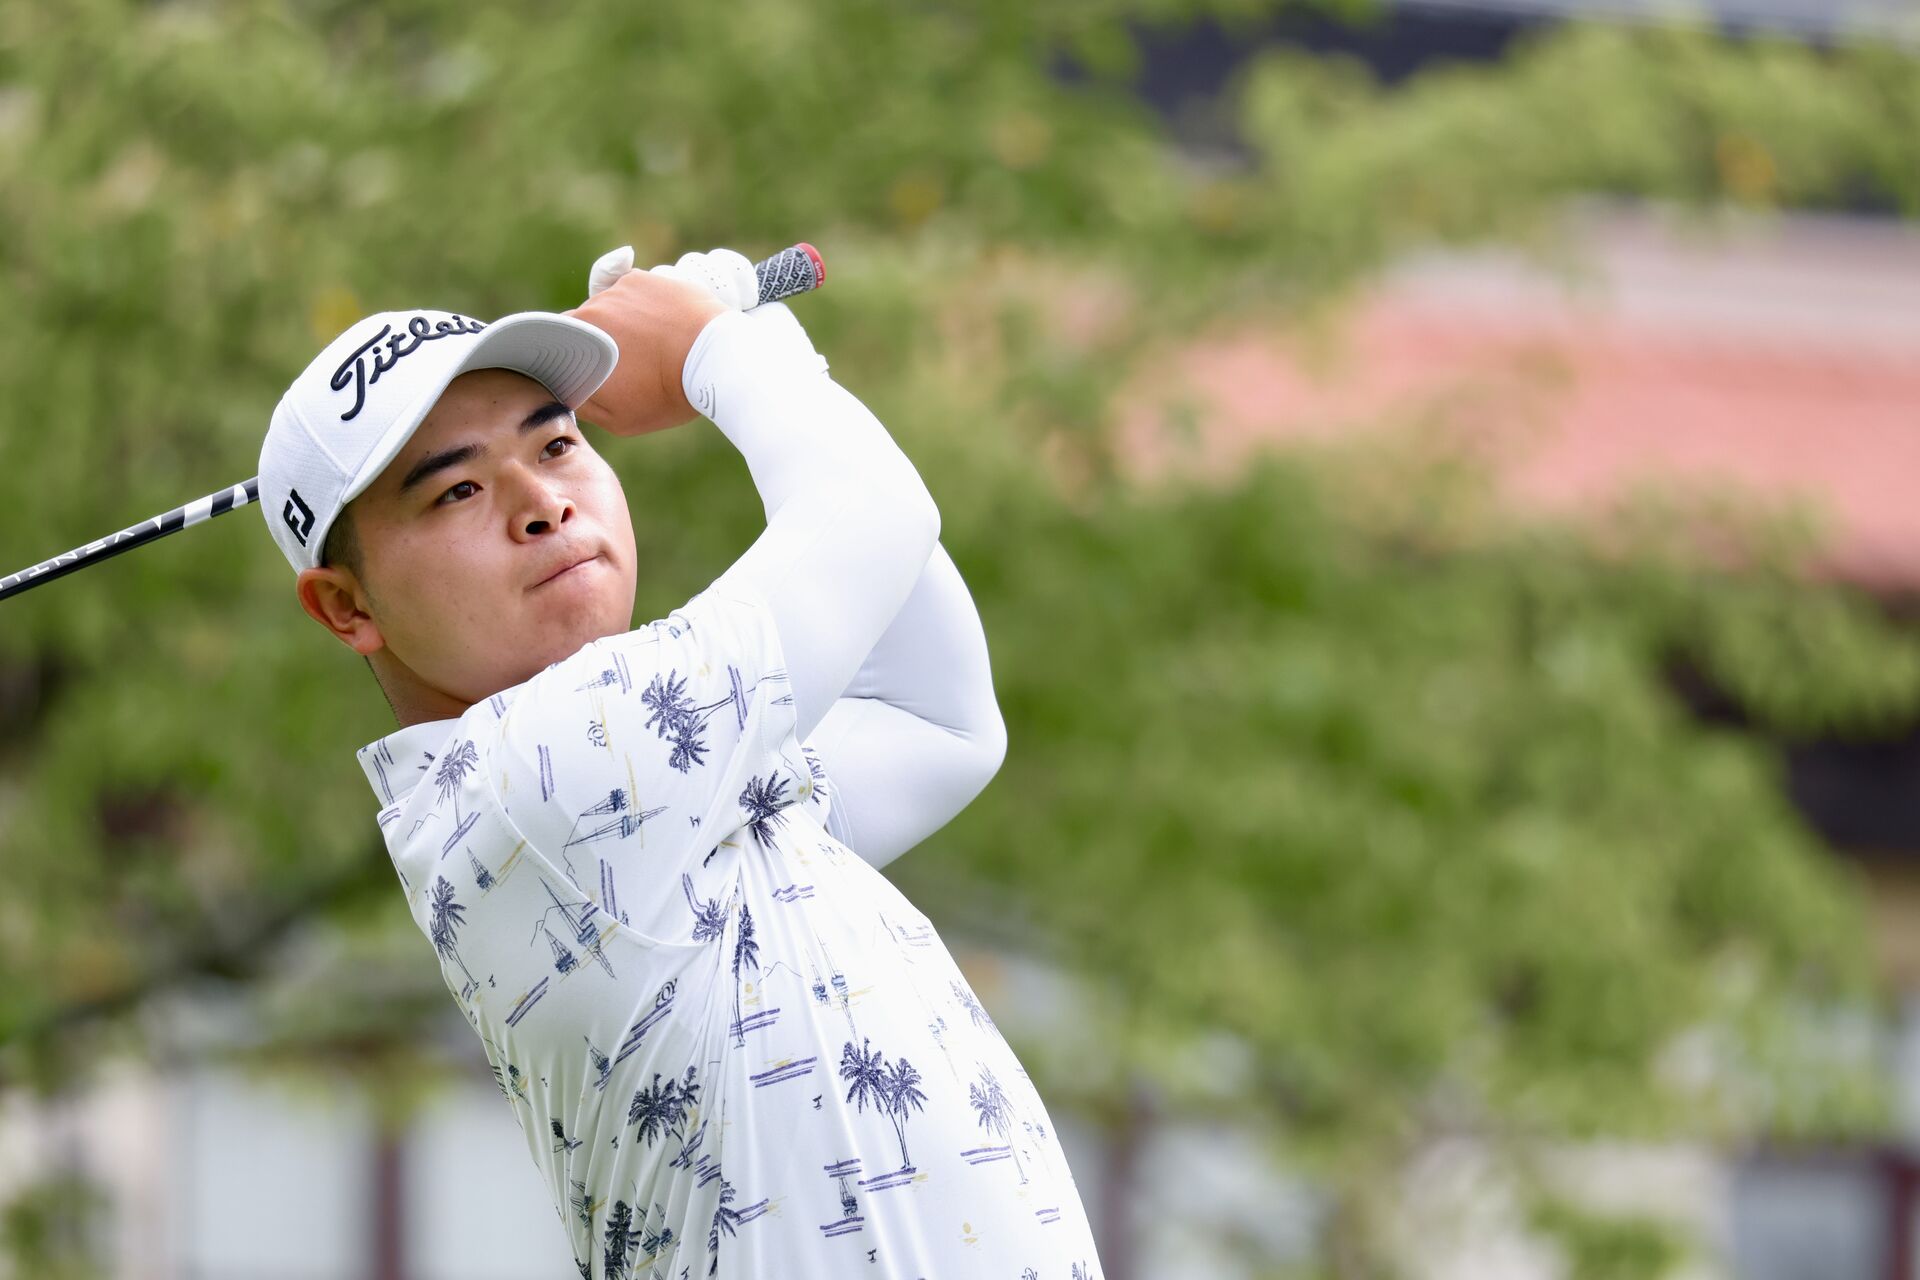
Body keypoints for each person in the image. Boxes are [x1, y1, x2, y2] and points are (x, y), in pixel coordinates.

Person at [257, 245, 1106, 1279]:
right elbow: (872, 515)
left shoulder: (657, 800)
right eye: (458, 490)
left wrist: (759, 346)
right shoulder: (540, 775)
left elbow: (936, 719)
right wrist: (716, 350)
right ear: (347, 606)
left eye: (556, 443)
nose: (541, 501)